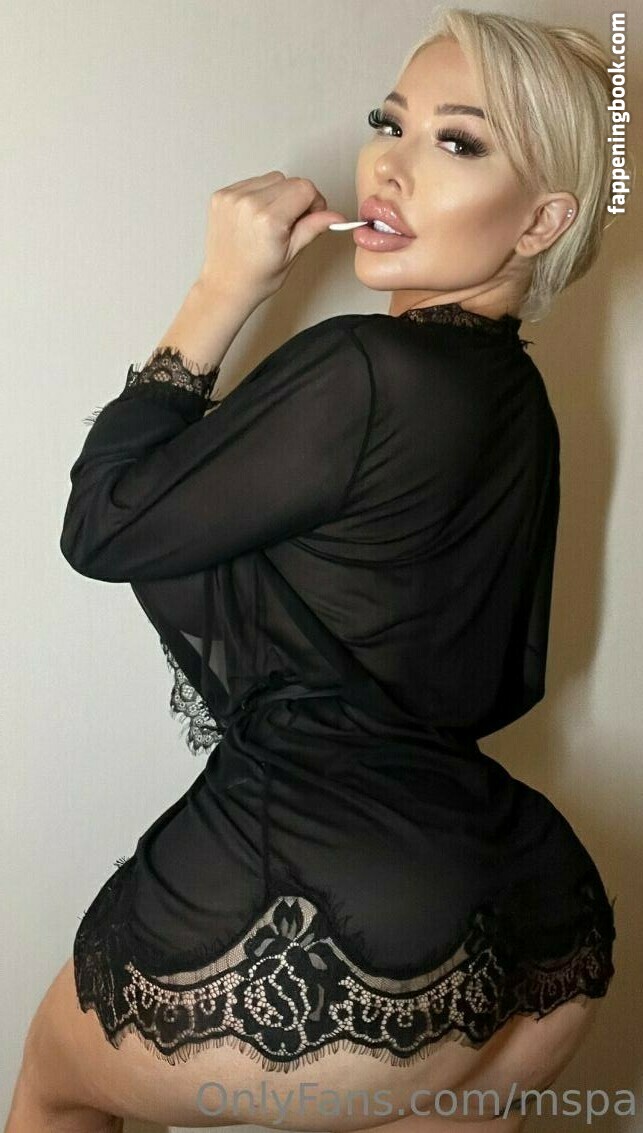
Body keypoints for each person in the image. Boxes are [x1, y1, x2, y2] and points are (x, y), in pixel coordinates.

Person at [5, 7, 624, 1132]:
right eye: (390, 123)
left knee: (53, 1087)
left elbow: (102, 525)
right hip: (533, 919)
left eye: (456, 141)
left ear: (542, 220)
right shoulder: (520, 403)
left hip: (324, 912)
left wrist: (221, 289)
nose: (388, 163)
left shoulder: (367, 369)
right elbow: (495, 680)